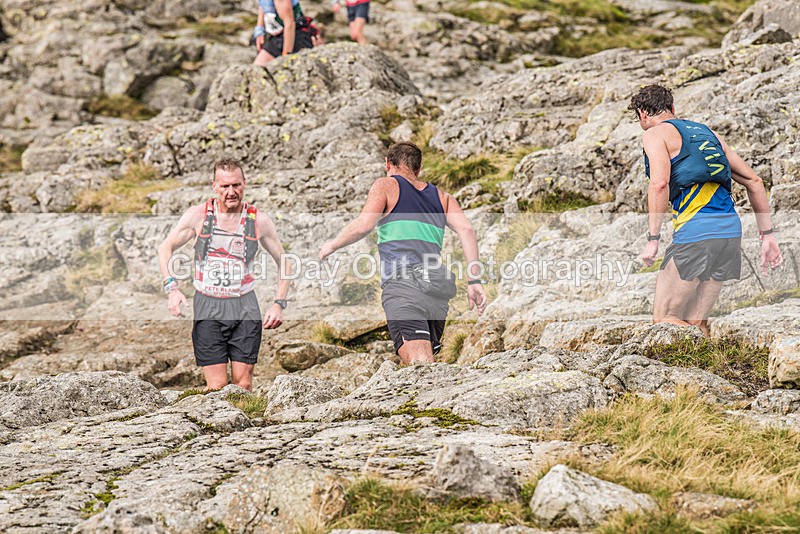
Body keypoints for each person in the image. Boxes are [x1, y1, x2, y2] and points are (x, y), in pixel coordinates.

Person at [632, 84, 783, 335]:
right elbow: (755, 182)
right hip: (729, 234)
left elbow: (659, 183)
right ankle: (706, 369)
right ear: (672, 108)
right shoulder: (708, 133)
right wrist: (767, 236)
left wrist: (653, 239)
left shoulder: (655, 134)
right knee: (696, 323)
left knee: (665, 319)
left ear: (642, 114)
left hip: (697, 232)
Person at [319, 142, 487, 364]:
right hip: (436, 291)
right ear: (418, 168)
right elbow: (466, 230)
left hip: (404, 286)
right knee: (425, 365)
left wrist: (332, 245)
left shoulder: (386, 185)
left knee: (421, 367)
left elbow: (364, 224)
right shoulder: (443, 197)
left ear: (388, 164)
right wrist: (474, 280)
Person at [157, 158, 292, 391]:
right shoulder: (198, 216)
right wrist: (172, 289)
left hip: (245, 306)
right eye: (225, 186)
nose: (231, 192)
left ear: (244, 184)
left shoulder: (258, 220)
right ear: (214, 186)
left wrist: (279, 303)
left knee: (243, 384)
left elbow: (285, 262)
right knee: (217, 386)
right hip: (207, 305)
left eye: (236, 185)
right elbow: (165, 248)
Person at [253, 0, 316, 65]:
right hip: (278, 35)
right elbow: (263, 5)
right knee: (257, 68)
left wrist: (285, 57)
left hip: (295, 36)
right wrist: (260, 30)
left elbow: (290, 24)